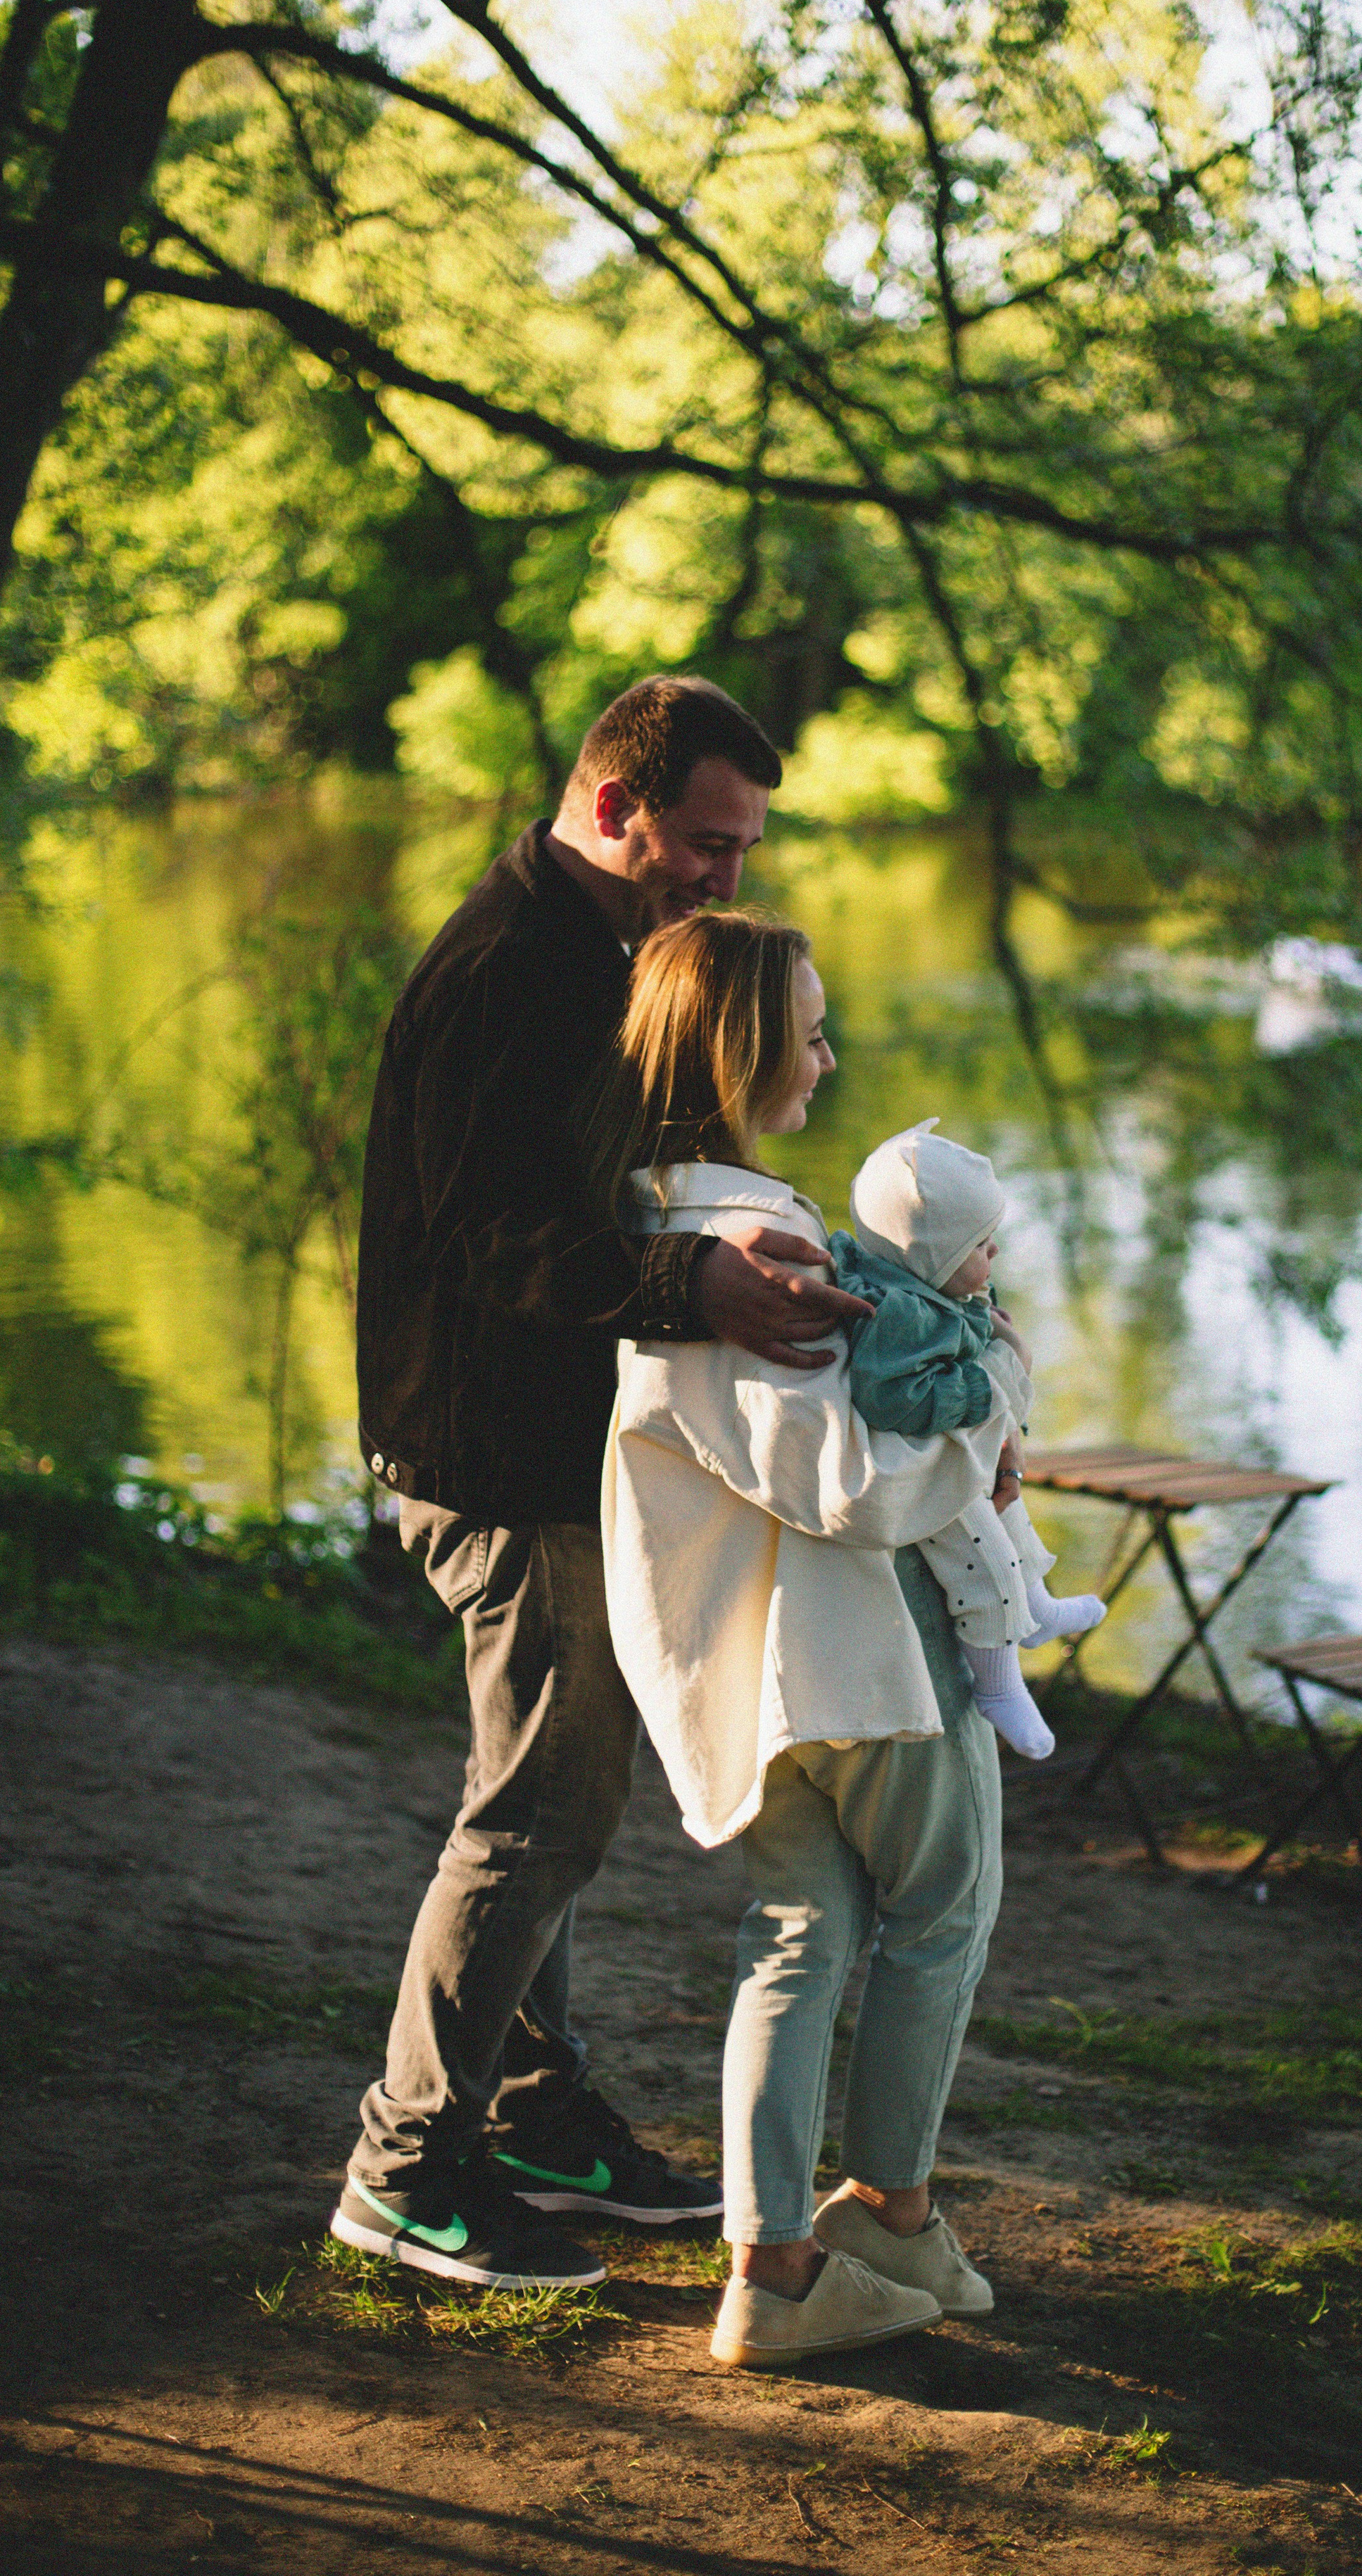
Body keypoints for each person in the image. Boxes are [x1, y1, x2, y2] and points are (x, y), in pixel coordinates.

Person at [331, 676, 873, 2293]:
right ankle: (402, 2161)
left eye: (740, 848)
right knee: (549, 1804)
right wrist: (689, 1282)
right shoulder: (508, 970)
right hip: (487, 1455)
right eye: (707, 842)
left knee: (542, 1791)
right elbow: (489, 1237)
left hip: (553, 1443)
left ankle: (539, 2114)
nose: (723, 875)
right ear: (614, 801)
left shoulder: (602, 949)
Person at [596, 909, 1032, 2366]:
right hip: (861, 1664)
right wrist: (985, 1416)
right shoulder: (752, 1240)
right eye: (810, 1027)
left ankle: (774, 2267)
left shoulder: (648, 1233)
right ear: (741, 1049)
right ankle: (890, 2216)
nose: (829, 1054)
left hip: (757, 1673)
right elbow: (840, 1484)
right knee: (943, 1915)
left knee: (795, 1939)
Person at [829, 1117, 1106, 1762]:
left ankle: (1036, 1608)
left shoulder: (922, 1288)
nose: (996, 1256)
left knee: (1012, 1519)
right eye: (982, 1245)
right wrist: (987, 1388)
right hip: (918, 1471)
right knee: (984, 1567)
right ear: (933, 1257)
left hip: (946, 1456)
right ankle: (998, 1686)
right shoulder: (901, 1316)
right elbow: (896, 1398)